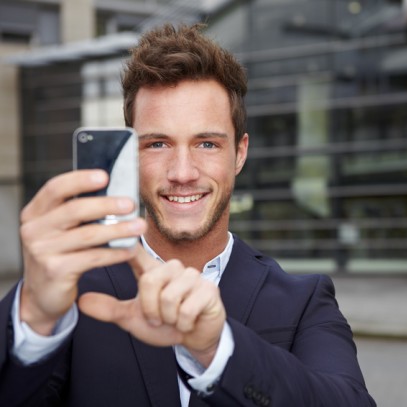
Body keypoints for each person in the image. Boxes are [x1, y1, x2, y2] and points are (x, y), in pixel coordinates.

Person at [0, 23, 376, 406]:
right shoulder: (66, 291)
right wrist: (36, 324)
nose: (182, 173)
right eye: (158, 143)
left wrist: (218, 349)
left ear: (240, 154)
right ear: (132, 154)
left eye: (207, 143)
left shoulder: (304, 300)